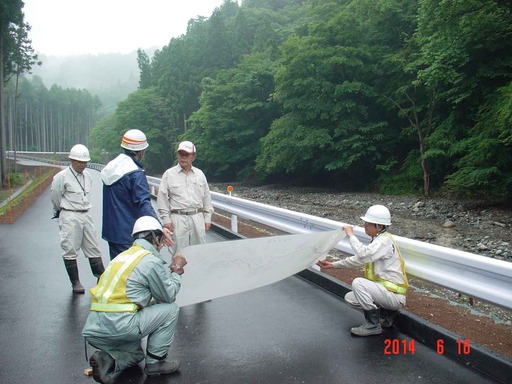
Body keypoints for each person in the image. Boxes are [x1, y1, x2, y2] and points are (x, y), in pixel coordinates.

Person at [82, 215, 187, 384]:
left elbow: (131, 293)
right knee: (171, 309)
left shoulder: (121, 257)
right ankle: (156, 363)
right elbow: (168, 295)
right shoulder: (150, 260)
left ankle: (107, 359)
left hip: (96, 329)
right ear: (156, 237)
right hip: (121, 326)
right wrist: (177, 268)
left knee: (136, 354)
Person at [317, 205, 408, 336]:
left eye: (368, 224)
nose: (364, 226)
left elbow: (362, 254)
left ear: (379, 227)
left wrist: (350, 235)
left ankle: (373, 325)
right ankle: (386, 316)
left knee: (358, 282)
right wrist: (332, 265)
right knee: (351, 298)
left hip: (394, 296)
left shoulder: (384, 241)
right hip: (386, 294)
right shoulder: (378, 241)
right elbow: (358, 260)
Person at [51, 144, 105, 294]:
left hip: (85, 213)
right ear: (71, 160)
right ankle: (75, 282)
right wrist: (60, 210)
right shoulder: (61, 177)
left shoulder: (88, 175)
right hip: (69, 213)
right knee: (69, 248)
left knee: (93, 246)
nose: (83, 165)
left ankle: (101, 277)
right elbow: (55, 196)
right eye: (79, 161)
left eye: (85, 162)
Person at [101, 129, 163, 260]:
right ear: (141, 151)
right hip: (128, 233)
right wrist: (158, 227)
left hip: (112, 232)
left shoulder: (112, 167)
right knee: (130, 273)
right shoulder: (135, 173)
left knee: (116, 269)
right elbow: (143, 204)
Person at [157, 140, 214, 254]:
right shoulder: (169, 174)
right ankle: (177, 273)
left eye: (186, 154)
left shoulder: (200, 175)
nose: (183, 157)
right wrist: (166, 219)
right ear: (177, 155)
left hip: (197, 217)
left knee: (199, 253)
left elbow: (206, 197)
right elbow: (162, 198)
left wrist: (207, 218)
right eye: (181, 154)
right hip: (177, 219)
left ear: (193, 157)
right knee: (179, 254)